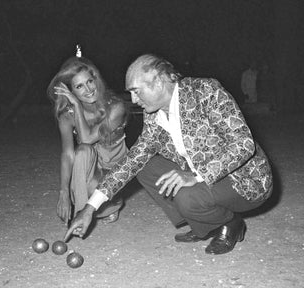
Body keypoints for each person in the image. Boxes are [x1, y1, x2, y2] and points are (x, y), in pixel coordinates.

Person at [65, 54, 273, 255]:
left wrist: (195, 176)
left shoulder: (205, 91)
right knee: (144, 167)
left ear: (160, 81)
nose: (134, 100)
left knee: (186, 196)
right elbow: (133, 160)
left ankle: (229, 222)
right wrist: (89, 208)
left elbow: (243, 144)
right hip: (201, 173)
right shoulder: (153, 113)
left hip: (244, 179)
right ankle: (205, 225)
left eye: (137, 91)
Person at [47, 55, 128, 225]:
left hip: (116, 171)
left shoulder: (115, 107)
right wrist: (64, 192)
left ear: (96, 79)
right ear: (71, 91)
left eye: (90, 81)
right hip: (92, 169)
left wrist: (76, 105)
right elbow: (68, 154)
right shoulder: (66, 116)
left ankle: (112, 205)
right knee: (82, 152)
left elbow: (87, 138)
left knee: (85, 146)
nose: (88, 89)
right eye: (79, 86)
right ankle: (80, 216)